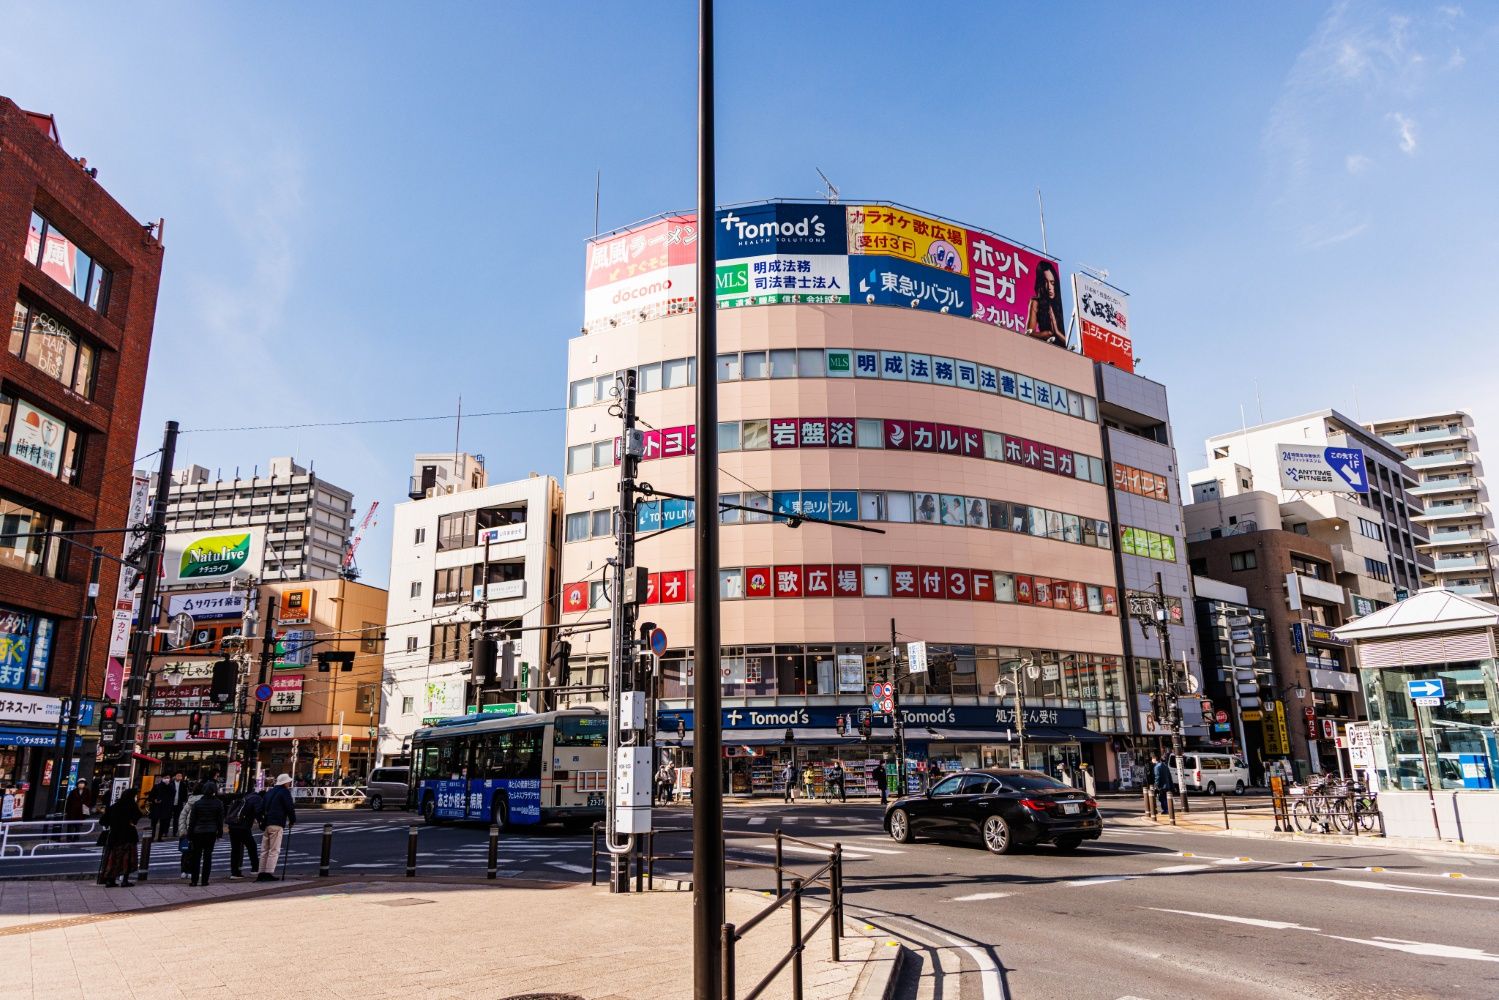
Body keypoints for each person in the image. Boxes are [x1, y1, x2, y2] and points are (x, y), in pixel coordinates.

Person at [183, 781, 226, 886]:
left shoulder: (198, 804)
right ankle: (205, 880)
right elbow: (220, 821)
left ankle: (194, 880)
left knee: (196, 857)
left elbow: (192, 821)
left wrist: (189, 834)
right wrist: (220, 833)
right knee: (208, 857)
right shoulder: (218, 803)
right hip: (211, 832)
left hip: (197, 832)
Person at [100, 786, 142, 888]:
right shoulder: (132, 806)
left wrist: (112, 823)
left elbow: (103, 821)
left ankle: (110, 880)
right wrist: (131, 822)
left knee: (114, 858)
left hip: (114, 836)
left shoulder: (114, 807)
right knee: (127, 859)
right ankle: (125, 881)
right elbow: (137, 816)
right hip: (128, 836)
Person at [257, 773, 296, 881]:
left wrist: (261, 821)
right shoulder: (284, 792)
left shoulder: (269, 792)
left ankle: (261, 872)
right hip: (277, 823)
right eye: (288, 781)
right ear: (285, 782)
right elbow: (289, 808)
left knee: (264, 849)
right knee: (274, 850)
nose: (289, 783)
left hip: (267, 824)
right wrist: (292, 820)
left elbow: (260, 809)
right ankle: (269, 872)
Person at [1025, 260, 1066, 346]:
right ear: (1040, 284)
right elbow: (1028, 333)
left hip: (1061, 351)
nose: (1049, 287)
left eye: (1052, 282)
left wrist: (1057, 332)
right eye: (1045, 282)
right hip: (1045, 348)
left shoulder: (1059, 305)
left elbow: (1068, 342)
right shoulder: (1036, 302)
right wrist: (1045, 334)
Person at [226, 788, 263, 880]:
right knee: (252, 846)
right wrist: (261, 823)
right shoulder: (257, 799)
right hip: (243, 827)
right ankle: (255, 868)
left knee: (235, 849)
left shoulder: (246, 797)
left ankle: (234, 872)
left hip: (232, 825)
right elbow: (258, 812)